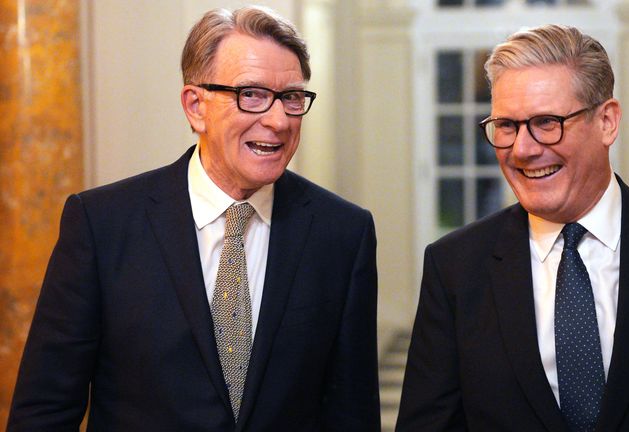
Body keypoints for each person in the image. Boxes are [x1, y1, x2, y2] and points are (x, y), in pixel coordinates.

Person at [8, 6, 380, 431]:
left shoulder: (342, 235)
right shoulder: (102, 225)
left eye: (292, 98)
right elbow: (44, 412)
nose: (278, 120)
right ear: (195, 106)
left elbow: (352, 415)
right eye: (252, 94)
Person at [396, 24, 629, 431]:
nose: (522, 149)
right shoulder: (455, 267)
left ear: (607, 121)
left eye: (546, 122)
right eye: (506, 126)